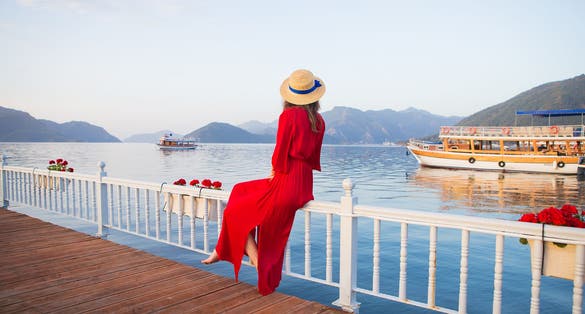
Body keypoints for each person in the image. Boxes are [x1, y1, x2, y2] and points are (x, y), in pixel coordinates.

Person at [201, 69, 326, 295]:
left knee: (233, 212)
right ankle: (227, 250)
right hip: (304, 186)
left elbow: (279, 154)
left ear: (289, 95)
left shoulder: (288, 117)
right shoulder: (319, 121)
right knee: (240, 191)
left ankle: (244, 256)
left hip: (285, 180)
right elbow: (314, 157)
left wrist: (275, 171)